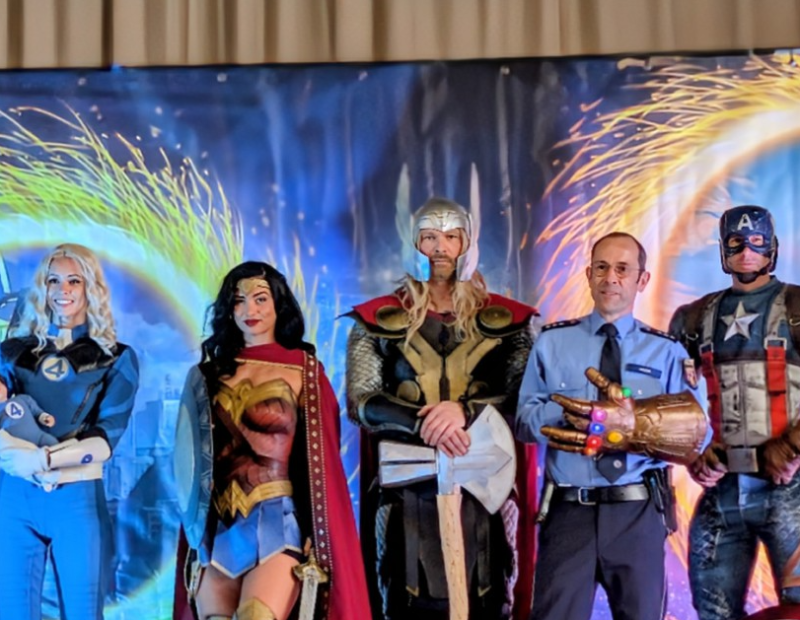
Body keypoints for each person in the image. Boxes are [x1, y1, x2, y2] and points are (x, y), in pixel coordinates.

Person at [345, 197, 539, 620]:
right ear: (413, 243)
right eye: (429, 237)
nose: (440, 248)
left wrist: (464, 413)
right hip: (407, 482)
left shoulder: (510, 323)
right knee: (405, 598)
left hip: (483, 481)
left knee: (490, 598)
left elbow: (523, 398)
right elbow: (362, 401)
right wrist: (426, 423)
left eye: (451, 237)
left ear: (467, 244)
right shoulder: (376, 321)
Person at [516, 231, 709, 620]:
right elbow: (523, 422)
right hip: (569, 512)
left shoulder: (667, 352)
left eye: (623, 269)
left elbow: (698, 435)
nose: (611, 278)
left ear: (642, 280)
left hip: (637, 511)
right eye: (602, 268)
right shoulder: (551, 343)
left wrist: (636, 424)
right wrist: (577, 417)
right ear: (588, 275)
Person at [173, 261, 370, 620]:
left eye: (260, 298)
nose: (250, 309)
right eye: (239, 300)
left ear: (279, 304)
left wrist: (319, 533)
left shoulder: (304, 371)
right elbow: (192, 462)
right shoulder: (209, 375)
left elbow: (321, 462)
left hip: (279, 526)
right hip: (219, 530)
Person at [669, 205, 800, 620]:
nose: (747, 251)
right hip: (723, 486)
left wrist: (793, 447)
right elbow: (670, 401)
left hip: (792, 488)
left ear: (772, 247)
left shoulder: (797, 307)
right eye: (736, 242)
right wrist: (692, 453)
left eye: (757, 241)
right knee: (713, 611)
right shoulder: (692, 319)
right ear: (722, 248)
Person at [0, 243, 140, 620]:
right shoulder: (9, 353)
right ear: (42, 287)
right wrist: (16, 457)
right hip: (13, 497)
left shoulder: (116, 357)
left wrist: (45, 458)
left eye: (74, 280)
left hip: (77, 498)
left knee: (83, 612)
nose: (63, 290)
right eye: (54, 280)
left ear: (90, 287)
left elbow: (106, 438)